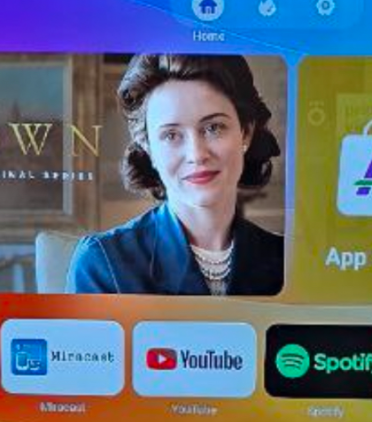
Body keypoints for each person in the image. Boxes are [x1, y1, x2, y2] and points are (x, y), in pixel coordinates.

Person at [67, 54, 284, 296]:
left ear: (246, 132)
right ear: (148, 147)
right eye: (171, 135)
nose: (196, 154)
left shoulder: (289, 261)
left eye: (213, 128)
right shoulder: (103, 264)